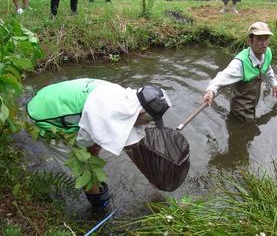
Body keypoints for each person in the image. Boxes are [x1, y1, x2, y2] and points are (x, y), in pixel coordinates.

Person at [26, 78, 172, 209]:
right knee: (83, 166)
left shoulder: (125, 97)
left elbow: (129, 143)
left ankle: (97, 188)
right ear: (140, 113)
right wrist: (153, 176)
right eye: (147, 121)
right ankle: (99, 204)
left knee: (94, 146)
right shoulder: (103, 113)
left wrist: (151, 175)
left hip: (50, 95)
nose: (146, 125)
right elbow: (130, 148)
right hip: (43, 117)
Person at [202, 21, 277, 122]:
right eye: (259, 39)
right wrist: (211, 91)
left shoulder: (267, 52)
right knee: (244, 129)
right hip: (240, 108)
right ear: (250, 41)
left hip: (253, 101)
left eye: (266, 38)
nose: (264, 43)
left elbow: (267, 68)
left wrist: (274, 84)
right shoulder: (240, 63)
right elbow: (222, 77)